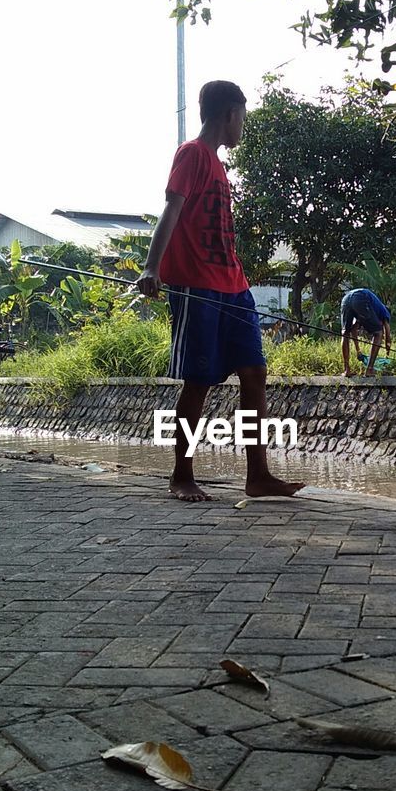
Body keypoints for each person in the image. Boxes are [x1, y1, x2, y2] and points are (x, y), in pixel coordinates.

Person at [136, 80, 303, 503]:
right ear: (229, 114)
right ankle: (182, 475)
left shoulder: (219, 165)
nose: (243, 127)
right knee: (199, 380)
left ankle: (258, 475)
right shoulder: (192, 154)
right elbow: (171, 209)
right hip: (198, 285)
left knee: (255, 372)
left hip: (234, 286)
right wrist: (152, 268)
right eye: (243, 117)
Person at [340, 288, 391, 377]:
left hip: (346, 298)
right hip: (361, 297)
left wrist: (358, 351)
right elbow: (387, 336)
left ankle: (347, 370)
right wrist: (387, 354)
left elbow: (353, 329)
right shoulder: (385, 312)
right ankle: (370, 369)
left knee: (345, 333)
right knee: (378, 333)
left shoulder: (372, 306)